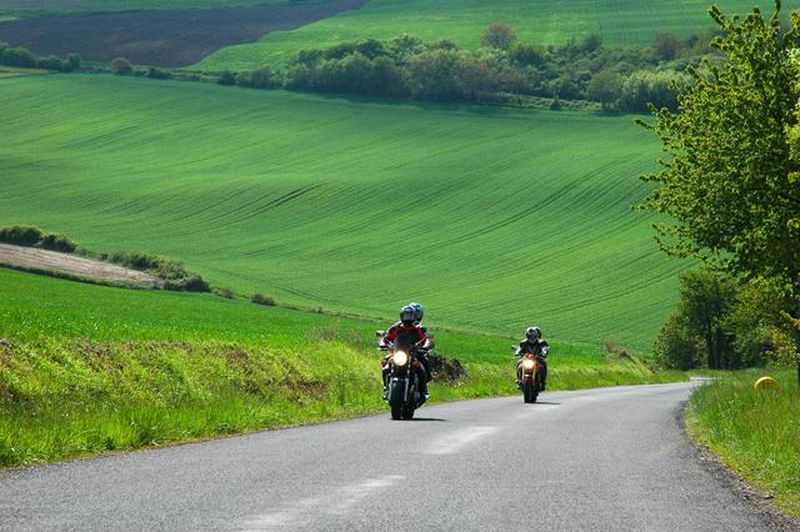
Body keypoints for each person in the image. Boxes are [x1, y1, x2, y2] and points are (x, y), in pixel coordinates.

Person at [380, 305, 432, 400]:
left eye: (409, 315)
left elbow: (426, 339)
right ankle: (386, 388)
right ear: (401, 316)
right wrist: (383, 344)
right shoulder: (396, 328)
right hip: (398, 353)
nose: (407, 318)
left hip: (413, 353)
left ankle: (423, 390)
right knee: (385, 365)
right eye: (406, 315)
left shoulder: (418, 328)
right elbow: (386, 338)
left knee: (422, 368)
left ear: (414, 316)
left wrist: (425, 346)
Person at [515, 326, 549, 391]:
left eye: (533, 336)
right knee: (519, 363)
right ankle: (519, 380)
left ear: (536, 336)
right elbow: (519, 348)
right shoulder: (523, 342)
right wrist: (517, 353)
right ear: (527, 336)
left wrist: (544, 353)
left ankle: (542, 381)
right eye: (530, 336)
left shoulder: (541, 342)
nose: (532, 338)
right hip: (526, 359)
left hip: (537, 359)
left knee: (543, 364)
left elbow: (544, 348)